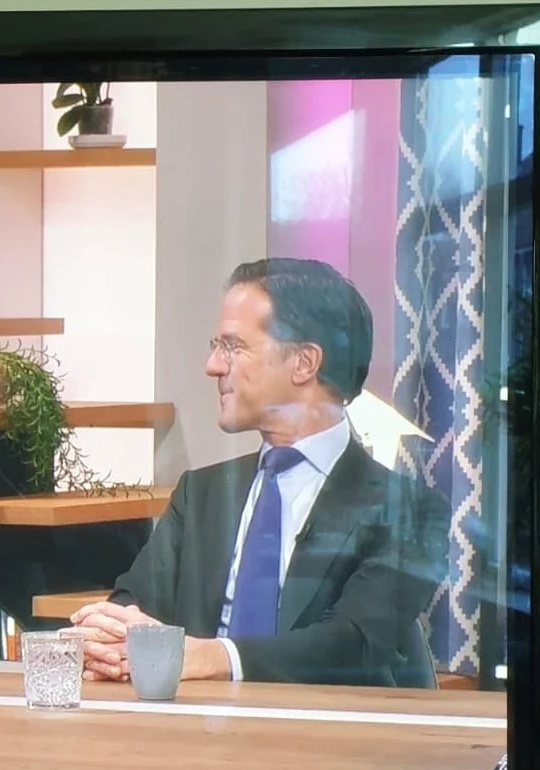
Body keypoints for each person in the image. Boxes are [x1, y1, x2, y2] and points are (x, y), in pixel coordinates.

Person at [72, 258, 449, 687]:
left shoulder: (409, 511)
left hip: (322, 726)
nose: (213, 366)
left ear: (304, 362)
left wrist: (214, 657)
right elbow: (134, 602)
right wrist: (108, 634)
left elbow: (354, 644)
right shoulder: (202, 494)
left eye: (233, 347)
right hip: (195, 723)